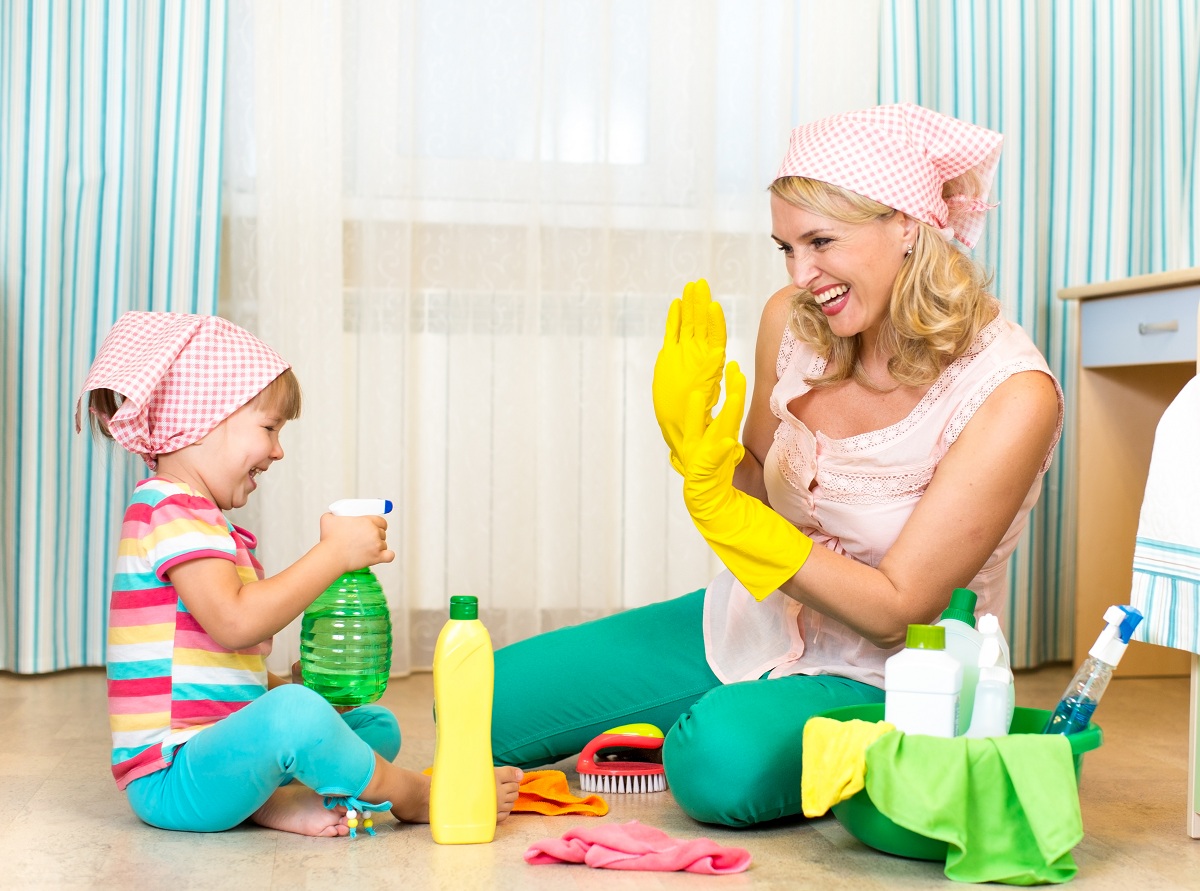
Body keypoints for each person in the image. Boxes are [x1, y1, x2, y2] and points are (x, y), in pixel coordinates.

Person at [489, 103, 1062, 827]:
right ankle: (737, 710)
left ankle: (753, 725)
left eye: (821, 240)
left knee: (716, 762)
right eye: (785, 247)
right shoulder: (793, 324)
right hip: (750, 625)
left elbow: (898, 612)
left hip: (896, 678)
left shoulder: (1009, 391)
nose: (801, 273)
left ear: (907, 225)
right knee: (479, 700)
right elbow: (758, 483)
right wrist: (700, 448)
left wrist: (731, 517)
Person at [77, 312, 522, 836]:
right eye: (268, 428)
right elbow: (236, 624)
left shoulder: (200, 519)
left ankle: (270, 800)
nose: (278, 449)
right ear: (201, 421)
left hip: (215, 761)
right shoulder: (169, 509)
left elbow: (212, 663)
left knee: (371, 725)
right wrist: (331, 554)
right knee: (296, 716)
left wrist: (280, 683)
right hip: (172, 777)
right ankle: (415, 795)